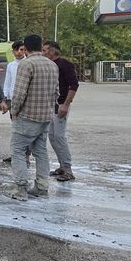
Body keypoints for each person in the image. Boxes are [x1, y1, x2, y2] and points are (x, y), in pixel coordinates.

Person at [9, 34, 59, 201]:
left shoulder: (26, 64)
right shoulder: (52, 65)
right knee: (41, 152)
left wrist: (14, 110)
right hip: (45, 117)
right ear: (40, 46)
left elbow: (19, 92)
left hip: (27, 117)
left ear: (26, 47)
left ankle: (20, 190)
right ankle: (42, 188)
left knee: (17, 151)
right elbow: (56, 93)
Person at [42, 41, 80, 182]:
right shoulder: (48, 66)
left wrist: (66, 104)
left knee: (59, 136)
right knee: (52, 136)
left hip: (61, 105)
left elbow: (74, 85)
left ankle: (68, 170)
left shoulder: (64, 65)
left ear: (52, 51)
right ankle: (62, 166)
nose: (43, 52)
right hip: (51, 106)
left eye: (45, 50)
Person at [2, 41, 31, 166]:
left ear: (25, 50)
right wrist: (5, 99)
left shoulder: (29, 63)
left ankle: (26, 155)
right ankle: (16, 153)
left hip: (27, 101)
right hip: (13, 100)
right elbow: (7, 83)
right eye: (17, 50)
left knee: (27, 129)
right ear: (13, 51)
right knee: (15, 128)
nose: (19, 52)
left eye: (22, 49)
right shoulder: (11, 65)